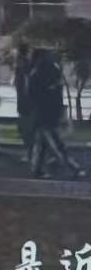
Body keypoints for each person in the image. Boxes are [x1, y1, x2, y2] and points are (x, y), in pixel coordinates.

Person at [28, 48, 84, 179]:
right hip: (47, 115)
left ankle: (37, 169)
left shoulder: (37, 73)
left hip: (42, 114)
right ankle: (73, 167)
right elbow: (54, 96)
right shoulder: (49, 72)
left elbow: (32, 95)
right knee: (56, 144)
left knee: (43, 144)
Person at [14, 43, 36, 162]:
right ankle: (32, 152)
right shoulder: (25, 66)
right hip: (26, 103)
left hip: (26, 104)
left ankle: (31, 153)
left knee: (27, 129)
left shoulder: (24, 67)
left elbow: (25, 87)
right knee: (28, 129)